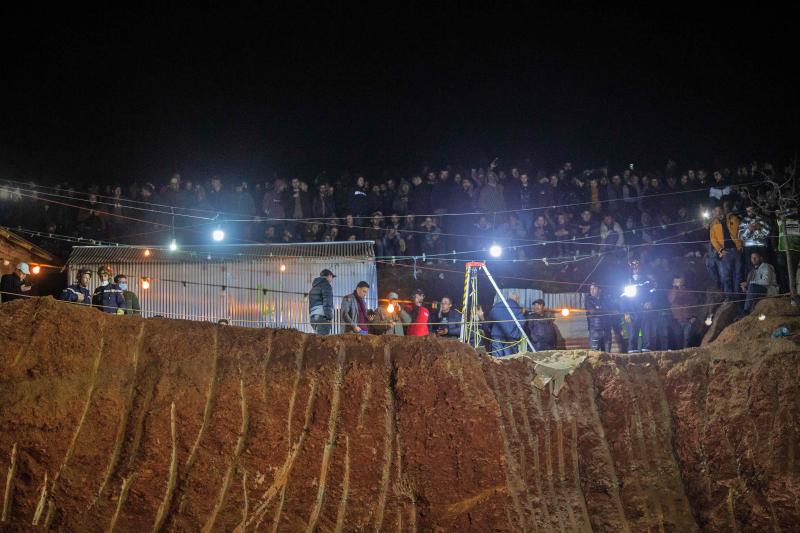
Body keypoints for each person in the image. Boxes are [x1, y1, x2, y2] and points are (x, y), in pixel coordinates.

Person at [709, 205, 743, 301]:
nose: (719, 213)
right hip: (725, 252)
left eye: (720, 210)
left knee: (738, 274)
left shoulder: (732, 218)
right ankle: (729, 296)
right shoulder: (714, 224)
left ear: (723, 211)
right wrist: (720, 250)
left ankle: (737, 296)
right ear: (714, 213)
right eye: (716, 211)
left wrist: (740, 244)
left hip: (736, 249)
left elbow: (740, 230)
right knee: (726, 276)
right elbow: (713, 239)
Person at [488, 292, 525, 356]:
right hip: (510, 338)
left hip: (497, 337)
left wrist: (491, 330)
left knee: (497, 360)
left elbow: (490, 321)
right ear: (517, 299)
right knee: (509, 361)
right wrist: (517, 335)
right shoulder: (517, 308)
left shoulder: (496, 306)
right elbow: (522, 322)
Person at [738, 205, 770, 275]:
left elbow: (768, 233)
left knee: (764, 268)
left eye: (752, 210)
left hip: (761, 247)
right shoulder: (744, 221)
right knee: (750, 269)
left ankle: (764, 285)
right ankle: (752, 284)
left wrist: (760, 227)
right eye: (748, 211)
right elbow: (740, 237)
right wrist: (748, 230)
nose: (750, 212)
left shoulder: (762, 219)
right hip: (749, 248)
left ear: (755, 210)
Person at [667, 276, 696, 349]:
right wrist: (675, 288)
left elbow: (693, 303)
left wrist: (694, 316)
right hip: (676, 320)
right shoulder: (671, 292)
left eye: (680, 281)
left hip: (687, 319)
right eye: (676, 281)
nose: (679, 283)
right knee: (678, 338)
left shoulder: (688, 292)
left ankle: (685, 352)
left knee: (687, 338)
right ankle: (679, 353)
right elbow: (672, 300)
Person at [585, 282, 611, 351]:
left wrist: (598, 309)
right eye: (591, 289)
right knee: (594, 354)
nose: (591, 290)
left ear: (600, 290)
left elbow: (610, 310)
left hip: (606, 330)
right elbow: (592, 311)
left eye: (594, 288)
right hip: (595, 330)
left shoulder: (606, 299)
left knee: (607, 355)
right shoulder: (588, 299)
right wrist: (604, 310)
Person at [308, 269, 335, 335]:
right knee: (323, 342)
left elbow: (310, 305)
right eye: (332, 277)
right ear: (329, 276)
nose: (332, 280)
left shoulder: (313, 288)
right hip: (322, 317)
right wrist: (329, 317)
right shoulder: (326, 285)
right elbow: (327, 302)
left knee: (318, 341)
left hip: (313, 318)